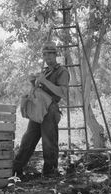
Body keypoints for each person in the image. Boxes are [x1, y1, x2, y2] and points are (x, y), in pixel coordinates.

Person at [13, 41, 70, 178]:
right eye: (45, 55)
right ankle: (16, 169)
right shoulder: (45, 71)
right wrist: (34, 82)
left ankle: (50, 172)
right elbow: (39, 89)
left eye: (50, 54)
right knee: (28, 139)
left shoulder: (62, 71)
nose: (47, 57)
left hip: (50, 110)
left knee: (49, 141)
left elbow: (62, 92)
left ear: (55, 55)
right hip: (39, 109)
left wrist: (44, 81)